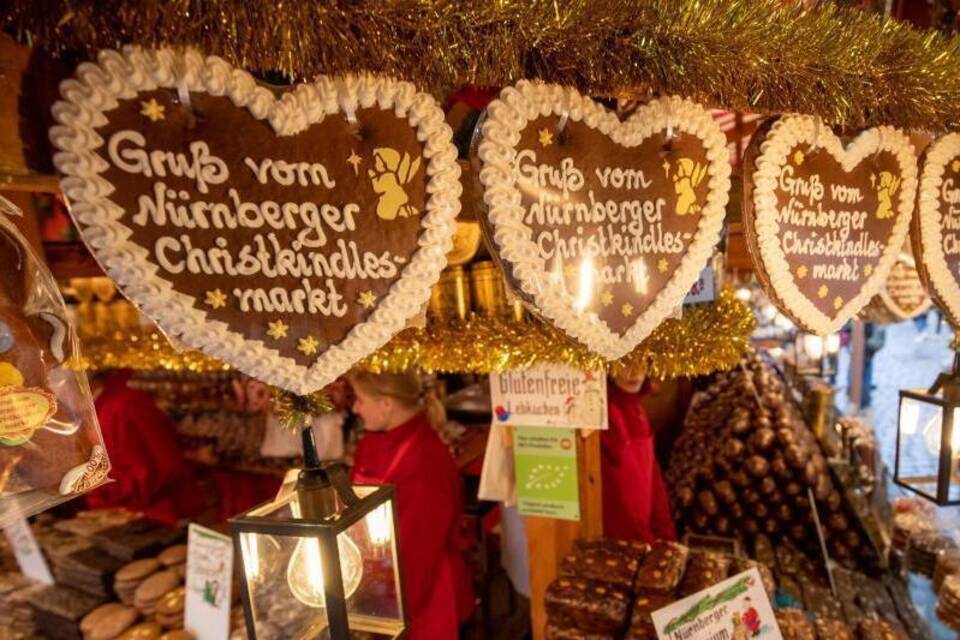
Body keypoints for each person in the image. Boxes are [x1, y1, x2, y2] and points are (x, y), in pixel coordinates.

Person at [348, 371, 473, 640]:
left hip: (421, 595)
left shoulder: (426, 461)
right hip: (379, 583)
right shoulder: (375, 438)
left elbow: (419, 552)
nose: (355, 408)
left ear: (386, 404)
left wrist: (391, 614)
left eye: (360, 399)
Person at [86, 369, 205, 526]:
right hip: (126, 511)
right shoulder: (104, 406)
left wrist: (90, 487)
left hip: (157, 515)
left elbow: (155, 471)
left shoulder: (123, 406)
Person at [602, 366, 676, 543]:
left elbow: (652, 477)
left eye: (641, 362)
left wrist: (665, 534)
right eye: (624, 362)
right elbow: (613, 497)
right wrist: (642, 540)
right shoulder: (604, 416)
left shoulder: (638, 408)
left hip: (644, 536)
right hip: (624, 543)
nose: (634, 372)